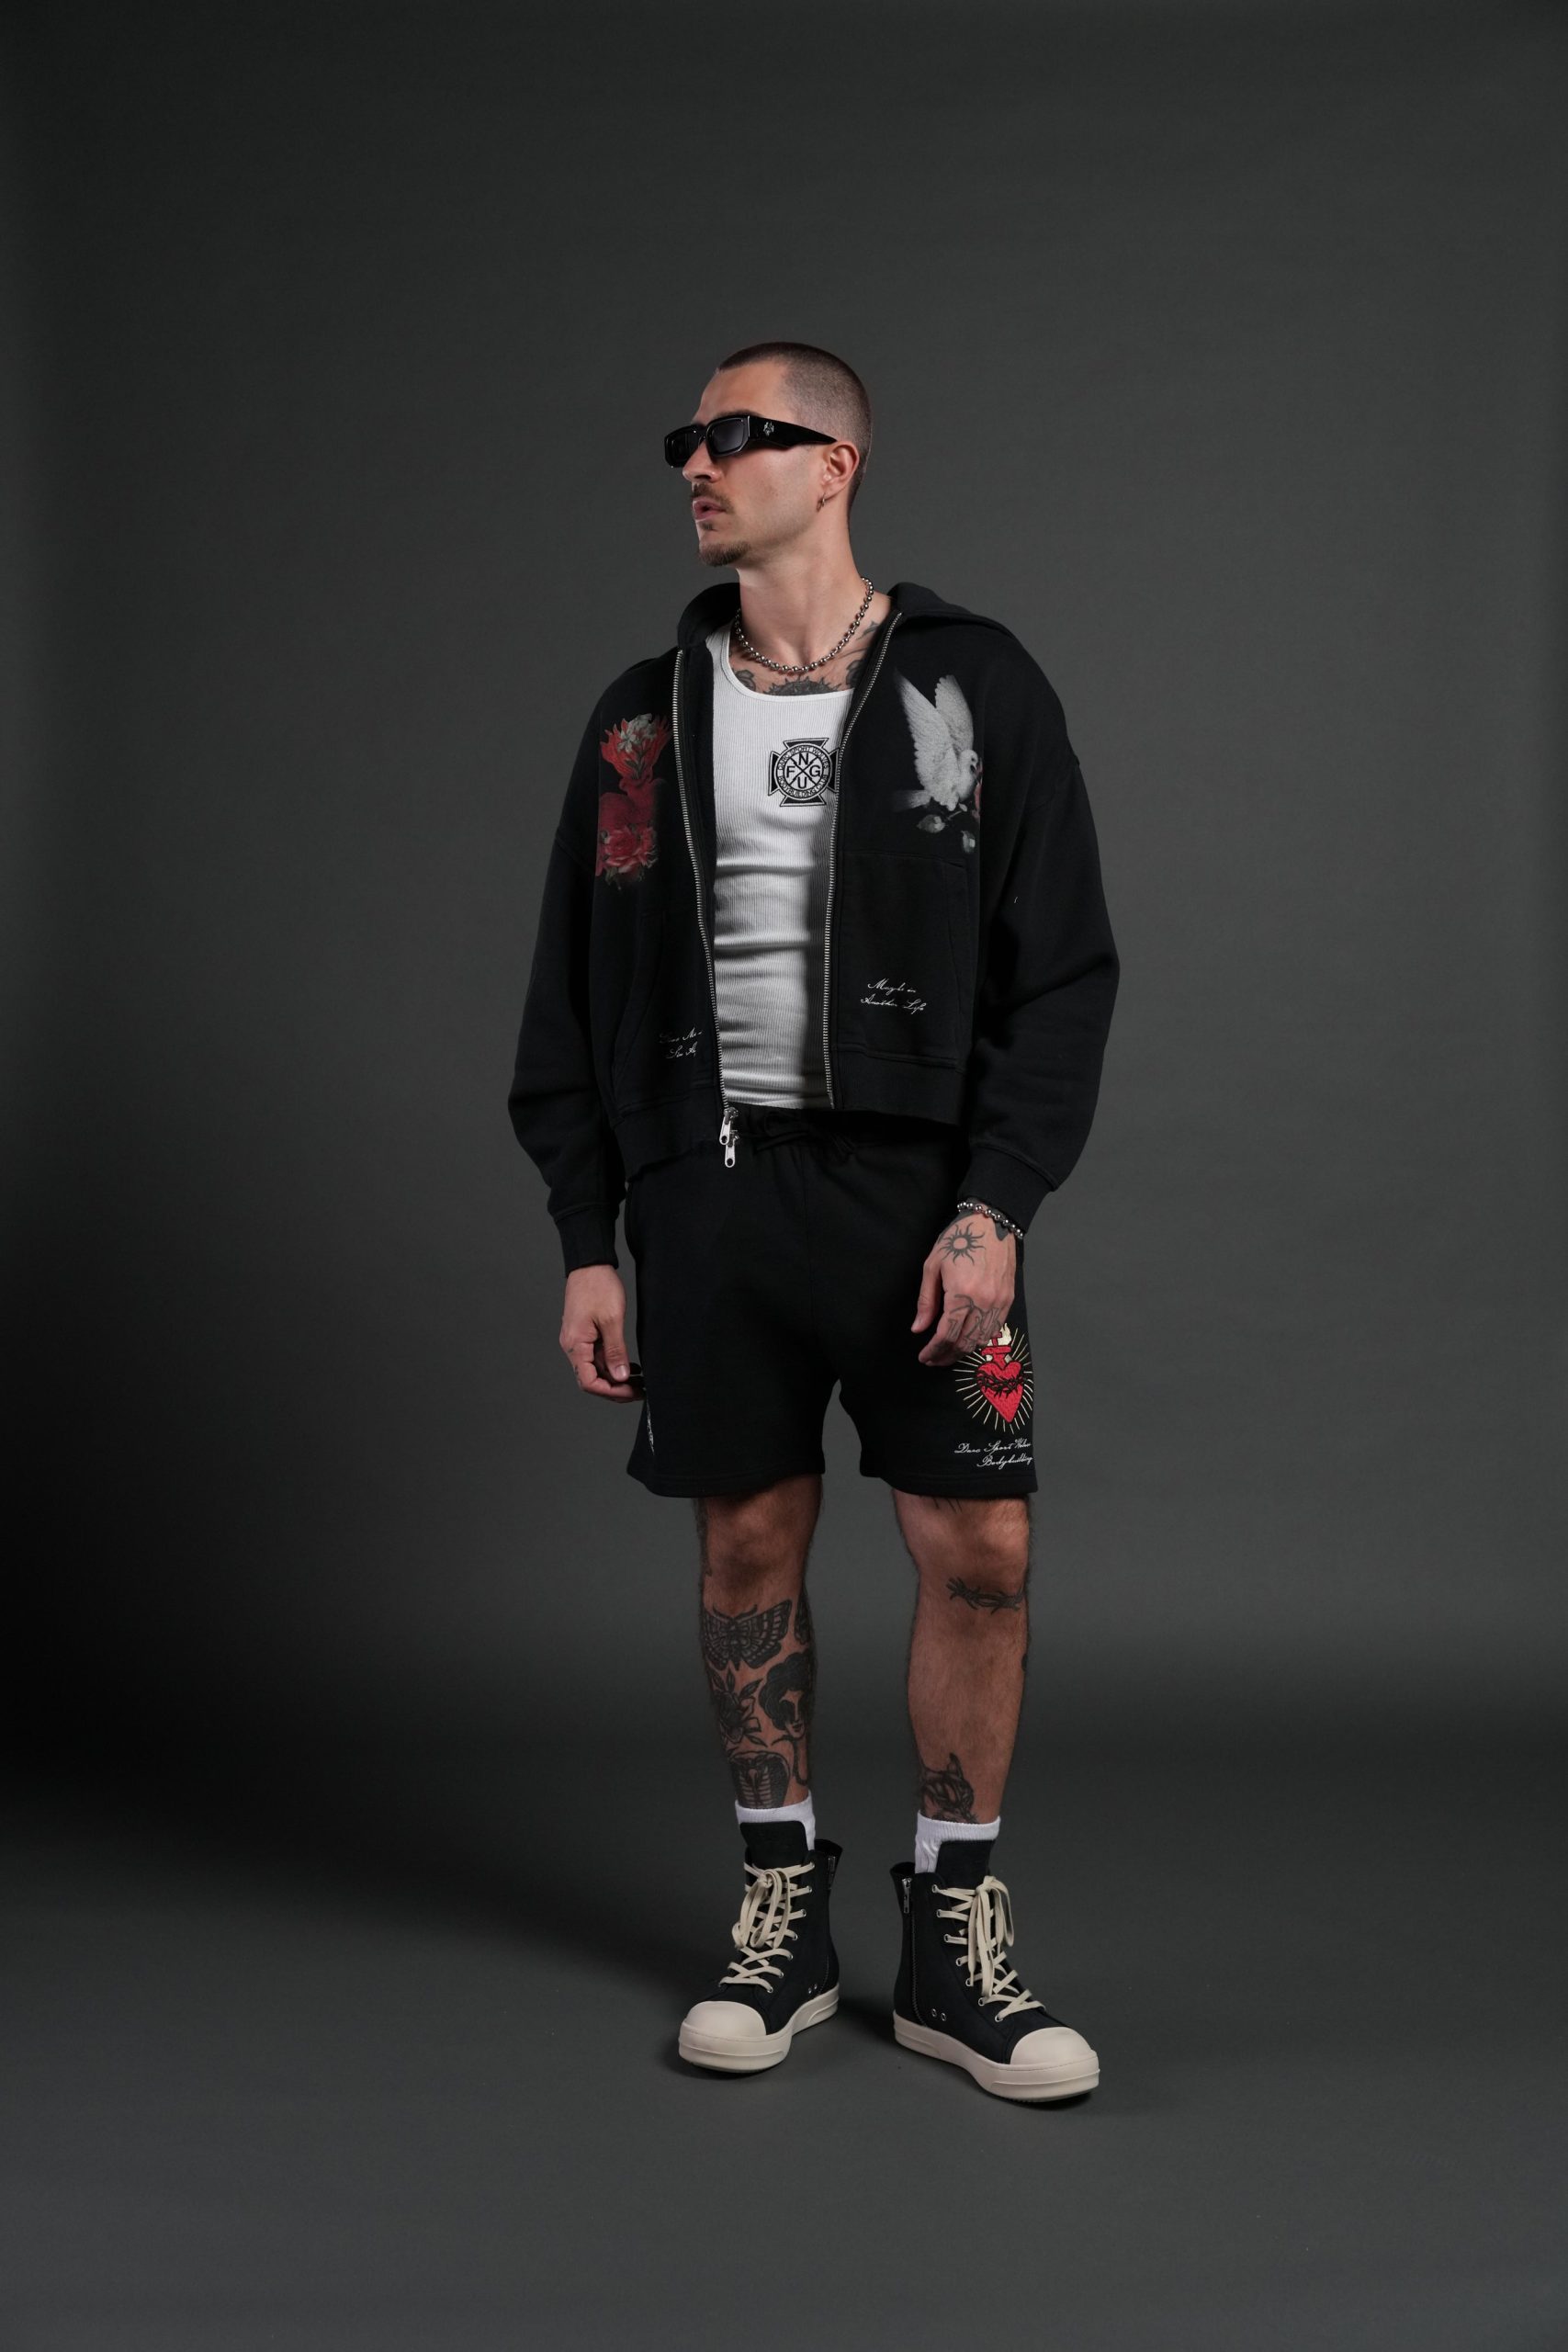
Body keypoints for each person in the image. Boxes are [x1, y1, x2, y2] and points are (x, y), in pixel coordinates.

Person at [509, 341, 1119, 2102]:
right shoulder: (645, 716)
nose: (697, 463)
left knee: (980, 1548)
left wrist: (998, 1203)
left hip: (923, 1200)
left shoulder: (974, 683)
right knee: (747, 1552)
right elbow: (569, 990)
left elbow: (1062, 971)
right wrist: (588, 1233)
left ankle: (954, 1933)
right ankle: (782, 1912)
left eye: (738, 434)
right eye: (686, 439)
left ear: (837, 463)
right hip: (707, 1197)